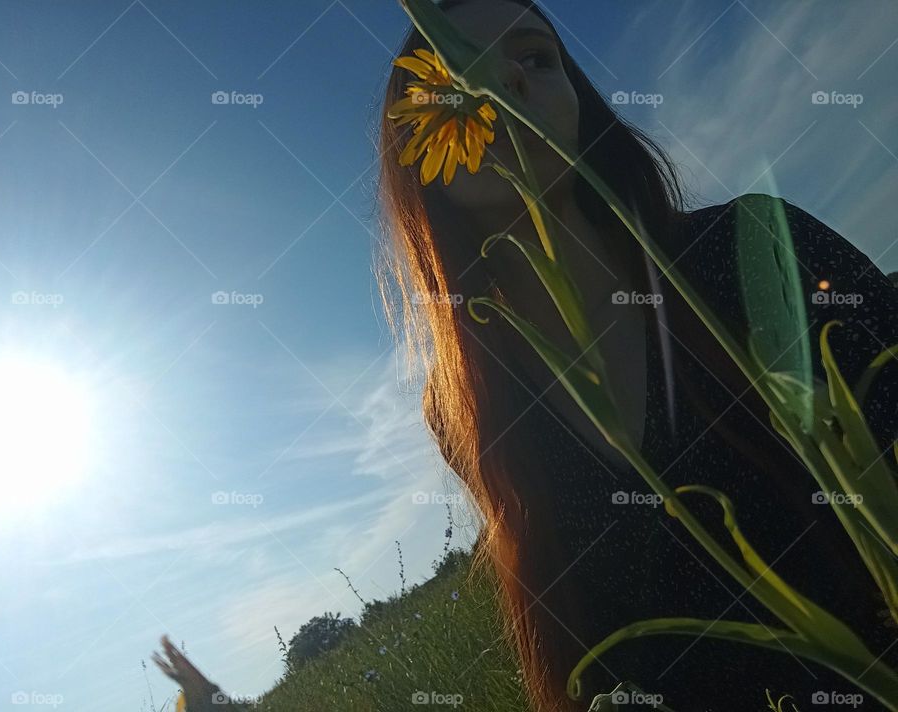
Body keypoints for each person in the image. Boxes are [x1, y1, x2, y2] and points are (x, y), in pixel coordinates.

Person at [374, 1, 898, 710]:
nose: (500, 82)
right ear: (418, 148)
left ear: (581, 104)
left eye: (534, 57)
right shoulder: (465, 410)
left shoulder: (757, 249)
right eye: (453, 76)